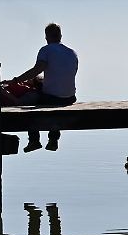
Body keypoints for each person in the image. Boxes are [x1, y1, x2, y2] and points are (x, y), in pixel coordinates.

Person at [11, 23, 78, 151]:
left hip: (52, 97)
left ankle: (34, 140)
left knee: (29, 106)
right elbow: (62, 75)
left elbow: (37, 70)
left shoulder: (46, 50)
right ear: (60, 36)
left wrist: (17, 80)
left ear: (46, 37)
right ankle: (53, 139)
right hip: (70, 98)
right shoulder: (71, 52)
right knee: (54, 102)